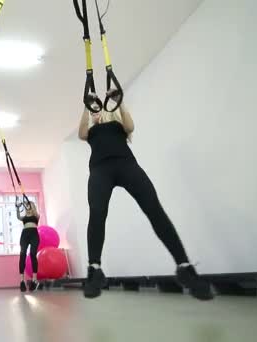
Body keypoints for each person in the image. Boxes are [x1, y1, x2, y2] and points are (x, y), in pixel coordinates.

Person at [78, 91, 213, 300]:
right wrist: (87, 108)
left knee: (154, 209)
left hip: (127, 165)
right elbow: (82, 134)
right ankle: (94, 270)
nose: (99, 113)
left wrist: (119, 102)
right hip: (100, 171)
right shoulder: (92, 129)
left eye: (102, 111)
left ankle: (185, 268)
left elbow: (130, 127)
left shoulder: (118, 125)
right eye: (96, 112)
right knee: (97, 213)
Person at [16, 201, 40, 292]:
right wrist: (18, 208)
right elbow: (18, 216)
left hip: (34, 234)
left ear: (32, 207)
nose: (27, 207)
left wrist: (29, 203)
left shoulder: (36, 216)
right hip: (25, 235)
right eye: (26, 206)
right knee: (22, 254)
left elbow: (36, 213)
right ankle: (22, 281)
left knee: (33, 254)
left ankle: (34, 280)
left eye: (29, 206)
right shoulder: (24, 217)